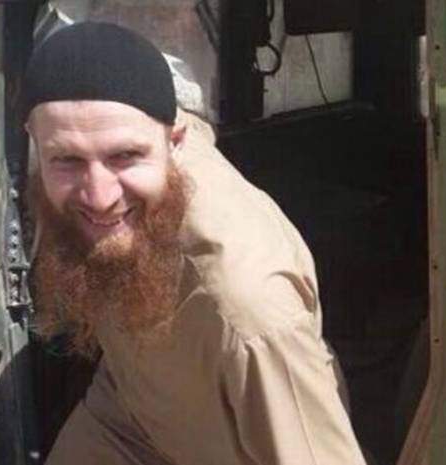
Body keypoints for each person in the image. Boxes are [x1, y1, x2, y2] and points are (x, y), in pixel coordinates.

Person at [23, 21, 366, 465]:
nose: (99, 196)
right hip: (127, 415)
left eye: (124, 156)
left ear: (175, 142)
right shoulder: (125, 143)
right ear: (36, 145)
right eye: (67, 160)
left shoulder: (248, 310)